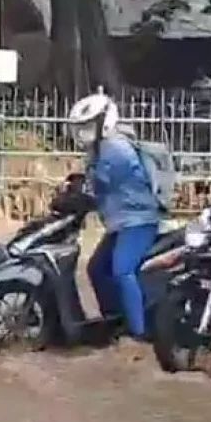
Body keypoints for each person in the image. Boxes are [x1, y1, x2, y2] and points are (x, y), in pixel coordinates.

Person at [68, 92, 161, 341]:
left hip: (138, 221)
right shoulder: (99, 148)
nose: (82, 132)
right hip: (120, 222)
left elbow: (100, 183)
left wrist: (81, 193)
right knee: (96, 268)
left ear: (104, 122)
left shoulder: (115, 149)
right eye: (81, 127)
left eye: (88, 126)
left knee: (122, 270)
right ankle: (115, 320)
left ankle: (139, 334)